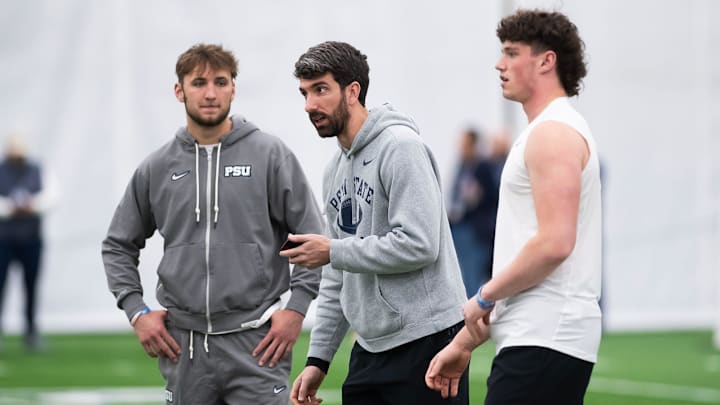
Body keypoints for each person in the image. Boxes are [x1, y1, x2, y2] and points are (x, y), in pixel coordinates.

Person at [101, 43, 324, 404]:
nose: (210, 93)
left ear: (233, 88)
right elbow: (117, 245)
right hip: (184, 349)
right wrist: (136, 311)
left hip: (258, 345)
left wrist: (296, 309)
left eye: (221, 82)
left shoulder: (270, 154)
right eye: (198, 82)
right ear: (179, 90)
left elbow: (312, 238)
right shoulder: (157, 167)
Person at [425, 9, 602, 405]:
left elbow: (556, 243)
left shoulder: (553, 133)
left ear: (546, 60)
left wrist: (484, 295)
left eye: (510, 52)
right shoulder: (545, 131)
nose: (498, 63)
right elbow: (527, 255)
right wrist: (466, 341)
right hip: (538, 336)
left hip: (546, 337)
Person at [283, 41, 468, 405]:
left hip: (427, 341)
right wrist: (318, 359)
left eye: (321, 90)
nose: (310, 105)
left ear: (353, 91)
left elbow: (419, 244)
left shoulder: (400, 147)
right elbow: (338, 274)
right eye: (305, 93)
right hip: (370, 348)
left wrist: (333, 250)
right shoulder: (333, 170)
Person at [0, 134, 53, 352]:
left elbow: (51, 196)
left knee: (30, 286)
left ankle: (30, 331)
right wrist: (11, 208)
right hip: (4, 239)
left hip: (31, 238)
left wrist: (32, 205)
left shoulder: (37, 169)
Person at [447, 127, 499, 297]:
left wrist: (476, 198)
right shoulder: (462, 165)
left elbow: (492, 198)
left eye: (465, 143)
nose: (461, 146)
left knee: (473, 276)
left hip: (475, 231)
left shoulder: (482, 166)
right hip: (458, 227)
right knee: (460, 274)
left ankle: (474, 313)